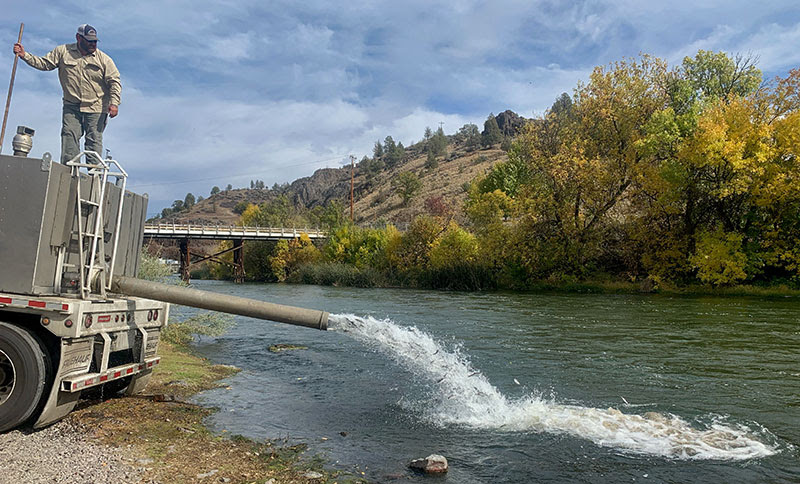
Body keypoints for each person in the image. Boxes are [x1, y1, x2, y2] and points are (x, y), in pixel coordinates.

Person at [13, 24, 121, 164]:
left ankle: (94, 176)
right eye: (89, 40)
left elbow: (114, 82)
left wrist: (114, 103)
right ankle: (69, 173)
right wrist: (24, 55)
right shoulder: (63, 51)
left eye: (94, 41)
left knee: (93, 140)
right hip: (72, 105)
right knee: (69, 136)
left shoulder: (104, 60)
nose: (92, 44)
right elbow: (44, 64)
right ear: (78, 38)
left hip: (96, 106)